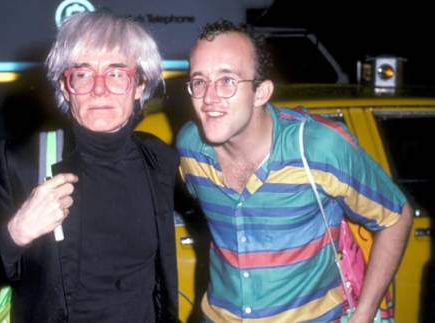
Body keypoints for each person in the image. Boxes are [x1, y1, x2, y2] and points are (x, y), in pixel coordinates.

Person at [0, 10, 178, 323]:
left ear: (139, 85)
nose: (99, 89)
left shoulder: (159, 158)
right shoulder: (22, 163)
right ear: (66, 88)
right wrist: (15, 233)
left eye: (116, 73)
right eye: (82, 75)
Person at [176, 20, 413, 322]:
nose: (209, 99)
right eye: (199, 81)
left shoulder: (318, 149)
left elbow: (396, 216)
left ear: (261, 92)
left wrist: (364, 311)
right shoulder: (190, 147)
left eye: (227, 81)